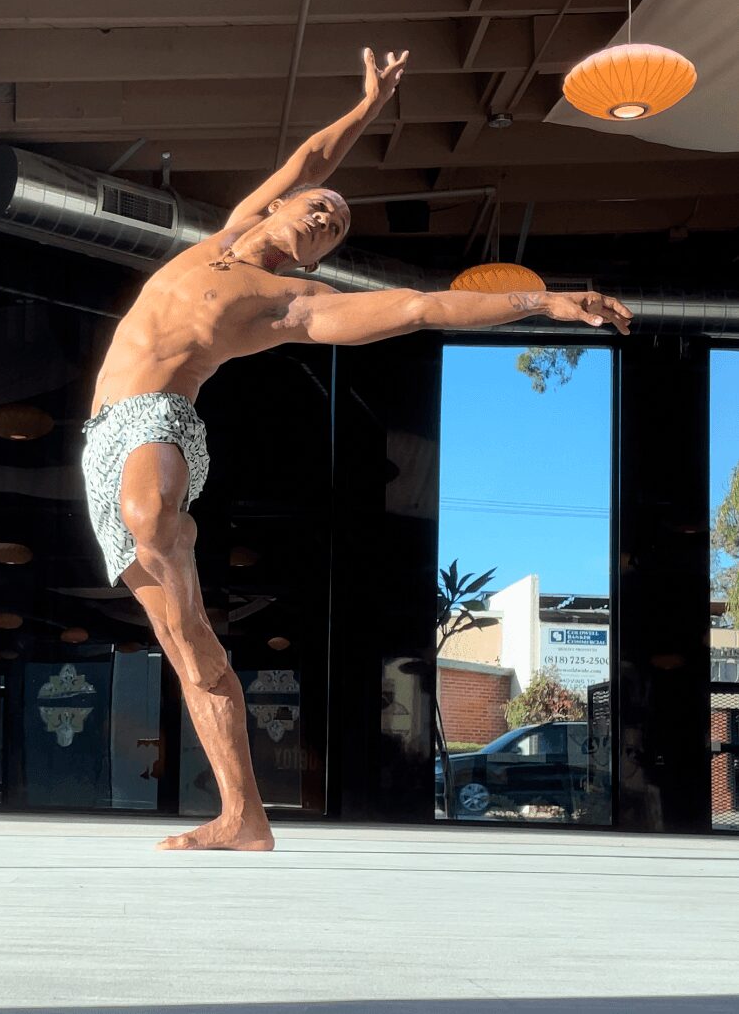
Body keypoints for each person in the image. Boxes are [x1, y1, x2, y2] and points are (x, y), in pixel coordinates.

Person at [81, 48, 632, 851]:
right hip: (100, 441)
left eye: (335, 228)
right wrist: (368, 106)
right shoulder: (224, 235)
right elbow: (312, 157)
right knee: (188, 651)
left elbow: (417, 307)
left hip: (156, 422)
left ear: (316, 260)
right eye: (320, 208)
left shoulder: (291, 301)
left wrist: (545, 299)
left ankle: (177, 549)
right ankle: (244, 816)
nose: (325, 219)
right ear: (279, 206)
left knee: (151, 514)